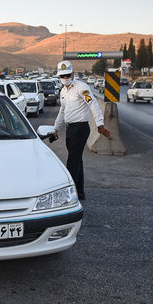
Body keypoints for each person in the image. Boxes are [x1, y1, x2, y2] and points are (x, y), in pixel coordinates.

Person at [53, 60, 111, 200]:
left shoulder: (81, 87)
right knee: (77, 159)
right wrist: (56, 128)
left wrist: (100, 125)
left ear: (72, 73)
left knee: (72, 160)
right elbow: (62, 111)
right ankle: (80, 192)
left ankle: (69, 195)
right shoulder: (63, 91)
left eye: (67, 75)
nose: (65, 79)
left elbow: (93, 105)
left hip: (80, 128)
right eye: (62, 76)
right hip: (70, 128)